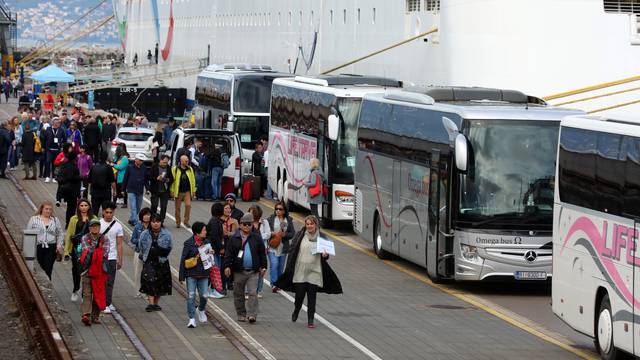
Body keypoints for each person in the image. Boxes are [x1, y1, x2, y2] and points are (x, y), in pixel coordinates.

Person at [275, 215, 343, 328]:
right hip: (300, 270)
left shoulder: (322, 237)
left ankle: (310, 320)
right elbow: (293, 250)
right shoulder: (300, 235)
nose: (310, 226)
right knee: (300, 295)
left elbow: (326, 255)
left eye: (312, 224)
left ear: (316, 225)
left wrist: (325, 255)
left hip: (315, 271)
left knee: (312, 297)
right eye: (307, 224)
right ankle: (296, 309)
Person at [223, 213, 267, 323]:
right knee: (238, 294)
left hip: (253, 271)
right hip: (238, 271)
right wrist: (227, 266)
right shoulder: (234, 238)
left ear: (252, 225)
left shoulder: (256, 237)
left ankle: (252, 314)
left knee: (252, 293)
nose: (247, 226)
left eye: (249, 224)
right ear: (240, 225)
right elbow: (229, 253)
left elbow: (262, 253)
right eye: (245, 224)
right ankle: (241, 313)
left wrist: (264, 266)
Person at [138, 214, 173, 312]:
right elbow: (141, 246)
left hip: (162, 261)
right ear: (150, 223)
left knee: (161, 282)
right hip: (149, 260)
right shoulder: (145, 234)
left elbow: (170, 246)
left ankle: (156, 303)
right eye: (153, 222)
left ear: (161, 222)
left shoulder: (167, 234)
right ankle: (151, 303)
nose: (156, 224)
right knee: (150, 280)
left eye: (158, 221)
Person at [179, 221, 211, 328]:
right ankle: (191, 318)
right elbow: (183, 259)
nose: (206, 232)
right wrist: (181, 276)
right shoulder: (188, 243)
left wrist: (211, 253)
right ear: (197, 233)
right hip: (191, 274)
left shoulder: (207, 242)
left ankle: (201, 309)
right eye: (204, 230)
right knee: (191, 296)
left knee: (204, 295)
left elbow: (210, 259)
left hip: (204, 274)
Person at [64, 199, 97, 302]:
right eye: (81, 205)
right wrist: (66, 251)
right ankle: (76, 289)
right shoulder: (74, 219)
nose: (83, 207)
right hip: (77, 249)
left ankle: (85, 293)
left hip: (89, 249)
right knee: (76, 270)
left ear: (89, 207)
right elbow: (69, 234)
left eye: (85, 205)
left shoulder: (94, 218)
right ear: (78, 207)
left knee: (88, 271)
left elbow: (97, 234)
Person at [79, 219, 109, 326]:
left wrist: (94, 252)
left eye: (96, 226)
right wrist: (96, 252)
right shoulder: (84, 237)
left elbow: (104, 253)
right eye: (92, 226)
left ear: (100, 228)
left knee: (98, 293)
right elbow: (86, 251)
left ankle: (95, 316)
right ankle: (86, 314)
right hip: (87, 270)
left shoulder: (105, 238)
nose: (94, 228)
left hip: (100, 271)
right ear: (89, 228)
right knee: (87, 293)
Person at [26, 201, 64, 279]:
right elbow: (29, 233)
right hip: (38, 247)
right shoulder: (34, 219)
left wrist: (59, 245)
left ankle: (48, 286)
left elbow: (60, 233)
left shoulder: (55, 220)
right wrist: (28, 249)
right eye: (46, 209)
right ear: (42, 209)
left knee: (48, 269)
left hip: (51, 247)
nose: (48, 211)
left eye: (50, 209)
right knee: (40, 268)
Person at [100, 202, 124, 314]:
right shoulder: (98, 224)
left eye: (111, 212)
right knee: (100, 280)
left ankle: (107, 303)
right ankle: (100, 301)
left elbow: (119, 244)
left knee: (110, 281)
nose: (109, 214)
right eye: (107, 212)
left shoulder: (118, 226)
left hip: (112, 257)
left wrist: (120, 258)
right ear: (103, 212)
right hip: (99, 256)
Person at [266, 201, 295, 292]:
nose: (278, 211)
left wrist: (285, 235)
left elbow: (292, 233)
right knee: (274, 264)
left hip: (283, 247)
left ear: (284, 211)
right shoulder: (271, 219)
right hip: (272, 246)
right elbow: (266, 231)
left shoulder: (288, 220)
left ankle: (279, 283)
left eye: (280, 209)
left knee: (281, 266)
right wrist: (272, 233)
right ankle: (274, 284)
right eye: (276, 209)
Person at [248, 205, 270, 298]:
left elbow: (268, 234)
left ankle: (257, 291)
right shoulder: (247, 222)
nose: (250, 213)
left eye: (252, 212)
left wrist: (259, 237)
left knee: (261, 270)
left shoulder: (264, 222)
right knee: (249, 270)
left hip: (262, 249)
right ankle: (248, 291)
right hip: (250, 249)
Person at [122, 153, 150, 226]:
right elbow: (125, 178)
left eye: (142, 160)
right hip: (131, 190)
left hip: (140, 190)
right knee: (133, 207)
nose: (141, 162)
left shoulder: (144, 168)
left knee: (138, 208)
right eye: (140, 160)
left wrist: (147, 189)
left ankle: (132, 219)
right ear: (136, 159)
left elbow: (146, 180)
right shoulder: (129, 167)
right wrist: (123, 189)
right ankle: (136, 222)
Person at [206, 202, 226, 298]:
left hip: (213, 249)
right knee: (215, 270)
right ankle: (212, 290)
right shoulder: (215, 221)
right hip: (213, 250)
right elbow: (215, 236)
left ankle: (212, 289)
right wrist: (221, 248)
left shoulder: (215, 220)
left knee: (214, 269)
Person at [130, 207, 152, 298]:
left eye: (148, 215)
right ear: (141, 216)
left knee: (149, 273)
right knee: (138, 272)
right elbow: (132, 239)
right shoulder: (138, 227)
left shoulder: (153, 226)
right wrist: (140, 240)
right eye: (145, 215)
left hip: (150, 253)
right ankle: (138, 291)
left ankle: (147, 291)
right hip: (139, 252)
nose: (147, 217)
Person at [171, 154, 196, 228]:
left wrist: (194, 190)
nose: (187, 162)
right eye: (186, 161)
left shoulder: (190, 169)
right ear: (181, 161)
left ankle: (186, 221)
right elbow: (173, 181)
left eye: (188, 160)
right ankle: (178, 222)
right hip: (178, 192)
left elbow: (193, 180)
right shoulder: (175, 169)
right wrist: (172, 191)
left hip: (187, 191)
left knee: (188, 205)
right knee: (177, 208)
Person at [58, 151, 82, 226]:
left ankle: (67, 223)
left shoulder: (64, 165)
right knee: (72, 208)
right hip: (73, 190)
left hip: (66, 189)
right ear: (74, 158)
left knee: (69, 208)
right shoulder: (74, 167)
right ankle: (70, 224)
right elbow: (72, 178)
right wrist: (80, 177)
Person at [89, 151, 116, 216]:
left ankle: (93, 224)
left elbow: (90, 181)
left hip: (95, 191)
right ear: (106, 158)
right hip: (106, 192)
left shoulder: (93, 167)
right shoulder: (108, 167)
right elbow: (112, 181)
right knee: (106, 211)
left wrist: (90, 190)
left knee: (94, 211)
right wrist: (114, 191)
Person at [149, 155, 173, 222]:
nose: (165, 164)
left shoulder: (168, 167)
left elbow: (172, 178)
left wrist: (168, 180)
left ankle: (161, 220)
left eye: (167, 162)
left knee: (164, 206)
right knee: (154, 205)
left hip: (164, 190)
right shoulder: (154, 166)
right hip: (155, 189)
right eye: (164, 162)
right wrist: (156, 178)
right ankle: (153, 219)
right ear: (160, 160)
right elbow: (149, 177)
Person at [43, 118, 66, 182]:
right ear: (53, 123)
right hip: (49, 149)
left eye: (58, 123)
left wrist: (62, 147)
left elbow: (64, 139)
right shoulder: (48, 129)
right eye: (56, 123)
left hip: (57, 149)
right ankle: (47, 176)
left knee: (55, 164)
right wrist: (44, 147)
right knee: (48, 162)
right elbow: (44, 138)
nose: (57, 124)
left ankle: (54, 177)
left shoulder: (61, 130)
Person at [113, 143, 129, 208]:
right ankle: (114, 203)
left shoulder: (125, 158)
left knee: (123, 190)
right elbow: (114, 161)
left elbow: (120, 167)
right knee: (116, 189)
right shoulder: (117, 157)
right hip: (115, 176)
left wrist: (113, 165)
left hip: (122, 177)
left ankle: (125, 203)